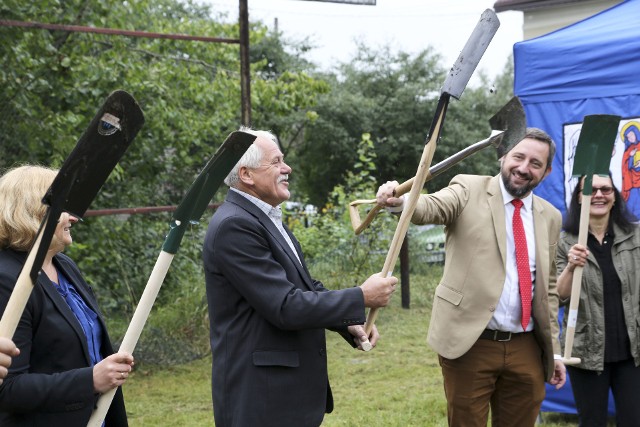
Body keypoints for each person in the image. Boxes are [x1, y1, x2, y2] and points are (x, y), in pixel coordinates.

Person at [203, 127, 398, 427]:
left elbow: (303, 286)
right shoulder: (235, 227)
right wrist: (361, 296)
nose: (287, 168)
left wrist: (349, 323)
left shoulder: (263, 218)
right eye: (276, 161)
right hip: (261, 401)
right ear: (247, 175)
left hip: (282, 397)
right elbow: (285, 306)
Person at [376, 128, 566, 427]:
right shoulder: (468, 188)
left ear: (547, 171)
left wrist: (554, 351)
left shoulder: (550, 216)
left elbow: (549, 289)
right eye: (518, 157)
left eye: (535, 163)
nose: (523, 168)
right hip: (471, 342)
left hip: (527, 347)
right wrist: (401, 202)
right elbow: (430, 206)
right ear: (503, 156)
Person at [0, 165, 134, 426]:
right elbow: (8, 389)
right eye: (65, 207)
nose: (73, 216)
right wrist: (90, 380)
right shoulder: (7, 280)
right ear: (34, 211)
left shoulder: (64, 265)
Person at [556, 173, 640, 427]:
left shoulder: (635, 236)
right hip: (585, 352)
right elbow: (558, 296)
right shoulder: (565, 243)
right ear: (579, 198)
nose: (600, 195)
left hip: (632, 352)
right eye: (592, 190)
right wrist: (571, 267)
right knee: (592, 422)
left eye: (606, 189)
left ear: (615, 197)